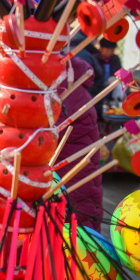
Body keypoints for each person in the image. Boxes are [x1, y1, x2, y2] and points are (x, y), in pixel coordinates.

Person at [55, 57, 103, 231]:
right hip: (69, 182)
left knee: (74, 244)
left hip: (71, 185)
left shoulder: (63, 88)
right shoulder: (66, 81)